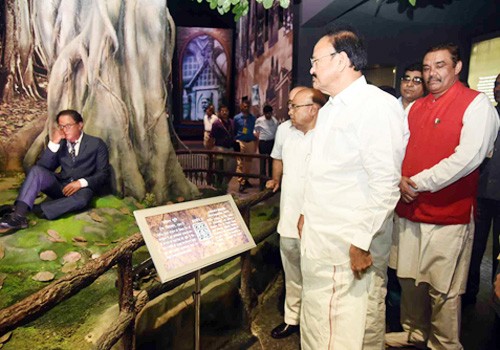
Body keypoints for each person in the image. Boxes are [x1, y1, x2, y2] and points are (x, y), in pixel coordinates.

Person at [385, 44, 499, 349]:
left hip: (448, 215)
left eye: (440, 65)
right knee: (409, 280)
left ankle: (444, 344)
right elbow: (398, 150)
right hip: (408, 210)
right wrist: (398, 179)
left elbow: (469, 157)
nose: (431, 73)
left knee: (443, 289)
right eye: (426, 67)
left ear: (458, 67)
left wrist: (418, 183)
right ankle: (414, 332)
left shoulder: (476, 104)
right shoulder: (416, 107)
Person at [300, 25, 406, 350]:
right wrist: (307, 212)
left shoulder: (376, 107)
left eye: (316, 60)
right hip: (321, 244)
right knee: (320, 329)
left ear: (342, 60)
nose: (311, 68)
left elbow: (386, 183)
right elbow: (328, 171)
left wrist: (361, 242)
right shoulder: (332, 108)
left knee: (347, 334)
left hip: (347, 251)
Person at [266, 87, 326, 339]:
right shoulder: (283, 131)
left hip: (318, 219)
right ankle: (292, 318)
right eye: (289, 106)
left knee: (317, 274)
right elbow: (277, 156)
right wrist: (274, 179)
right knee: (291, 270)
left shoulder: (328, 133)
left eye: (293, 106)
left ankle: (315, 323)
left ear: (313, 110)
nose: (288, 110)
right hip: (289, 214)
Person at [0, 109, 110, 232]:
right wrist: (54, 143)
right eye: (61, 126)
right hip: (60, 186)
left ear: (80, 125)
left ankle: (28, 209)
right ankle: (18, 217)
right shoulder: (60, 144)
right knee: (36, 171)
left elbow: (103, 174)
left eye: (68, 126)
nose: (64, 130)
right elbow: (42, 168)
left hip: (82, 190)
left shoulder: (96, 144)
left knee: (83, 199)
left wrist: (81, 183)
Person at [464, 73, 500, 306]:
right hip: (482, 192)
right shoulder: (487, 114)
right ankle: (469, 294)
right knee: (475, 247)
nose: (498, 88)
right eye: (497, 84)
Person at [210, 105, 236, 189]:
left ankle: (225, 184)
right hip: (220, 148)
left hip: (230, 148)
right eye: (222, 111)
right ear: (219, 112)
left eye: (226, 111)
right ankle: (220, 187)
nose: (225, 112)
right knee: (220, 168)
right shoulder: (216, 123)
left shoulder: (232, 122)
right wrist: (211, 150)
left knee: (232, 168)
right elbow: (212, 137)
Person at [233, 99, 257, 193]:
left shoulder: (253, 118)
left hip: (250, 141)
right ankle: (241, 182)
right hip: (240, 141)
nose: (246, 108)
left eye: (247, 106)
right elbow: (234, 130)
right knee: (240, 163)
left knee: (248, 163)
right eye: (244, 106)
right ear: (241, 107)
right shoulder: (236, 118)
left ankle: (245, 179)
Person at [254, 105, 279, 177]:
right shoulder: (259, 120)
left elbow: (277, 131)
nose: (268, 115)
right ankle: (262, 181)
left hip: (271, 142)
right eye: (267, 113)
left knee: (271, 162)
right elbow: (255, 130)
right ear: (264, 113)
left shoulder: (275, 121)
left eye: (270, 113)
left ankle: (270, 179)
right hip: (263, 143)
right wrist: (257, 137)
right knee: (263, 162)